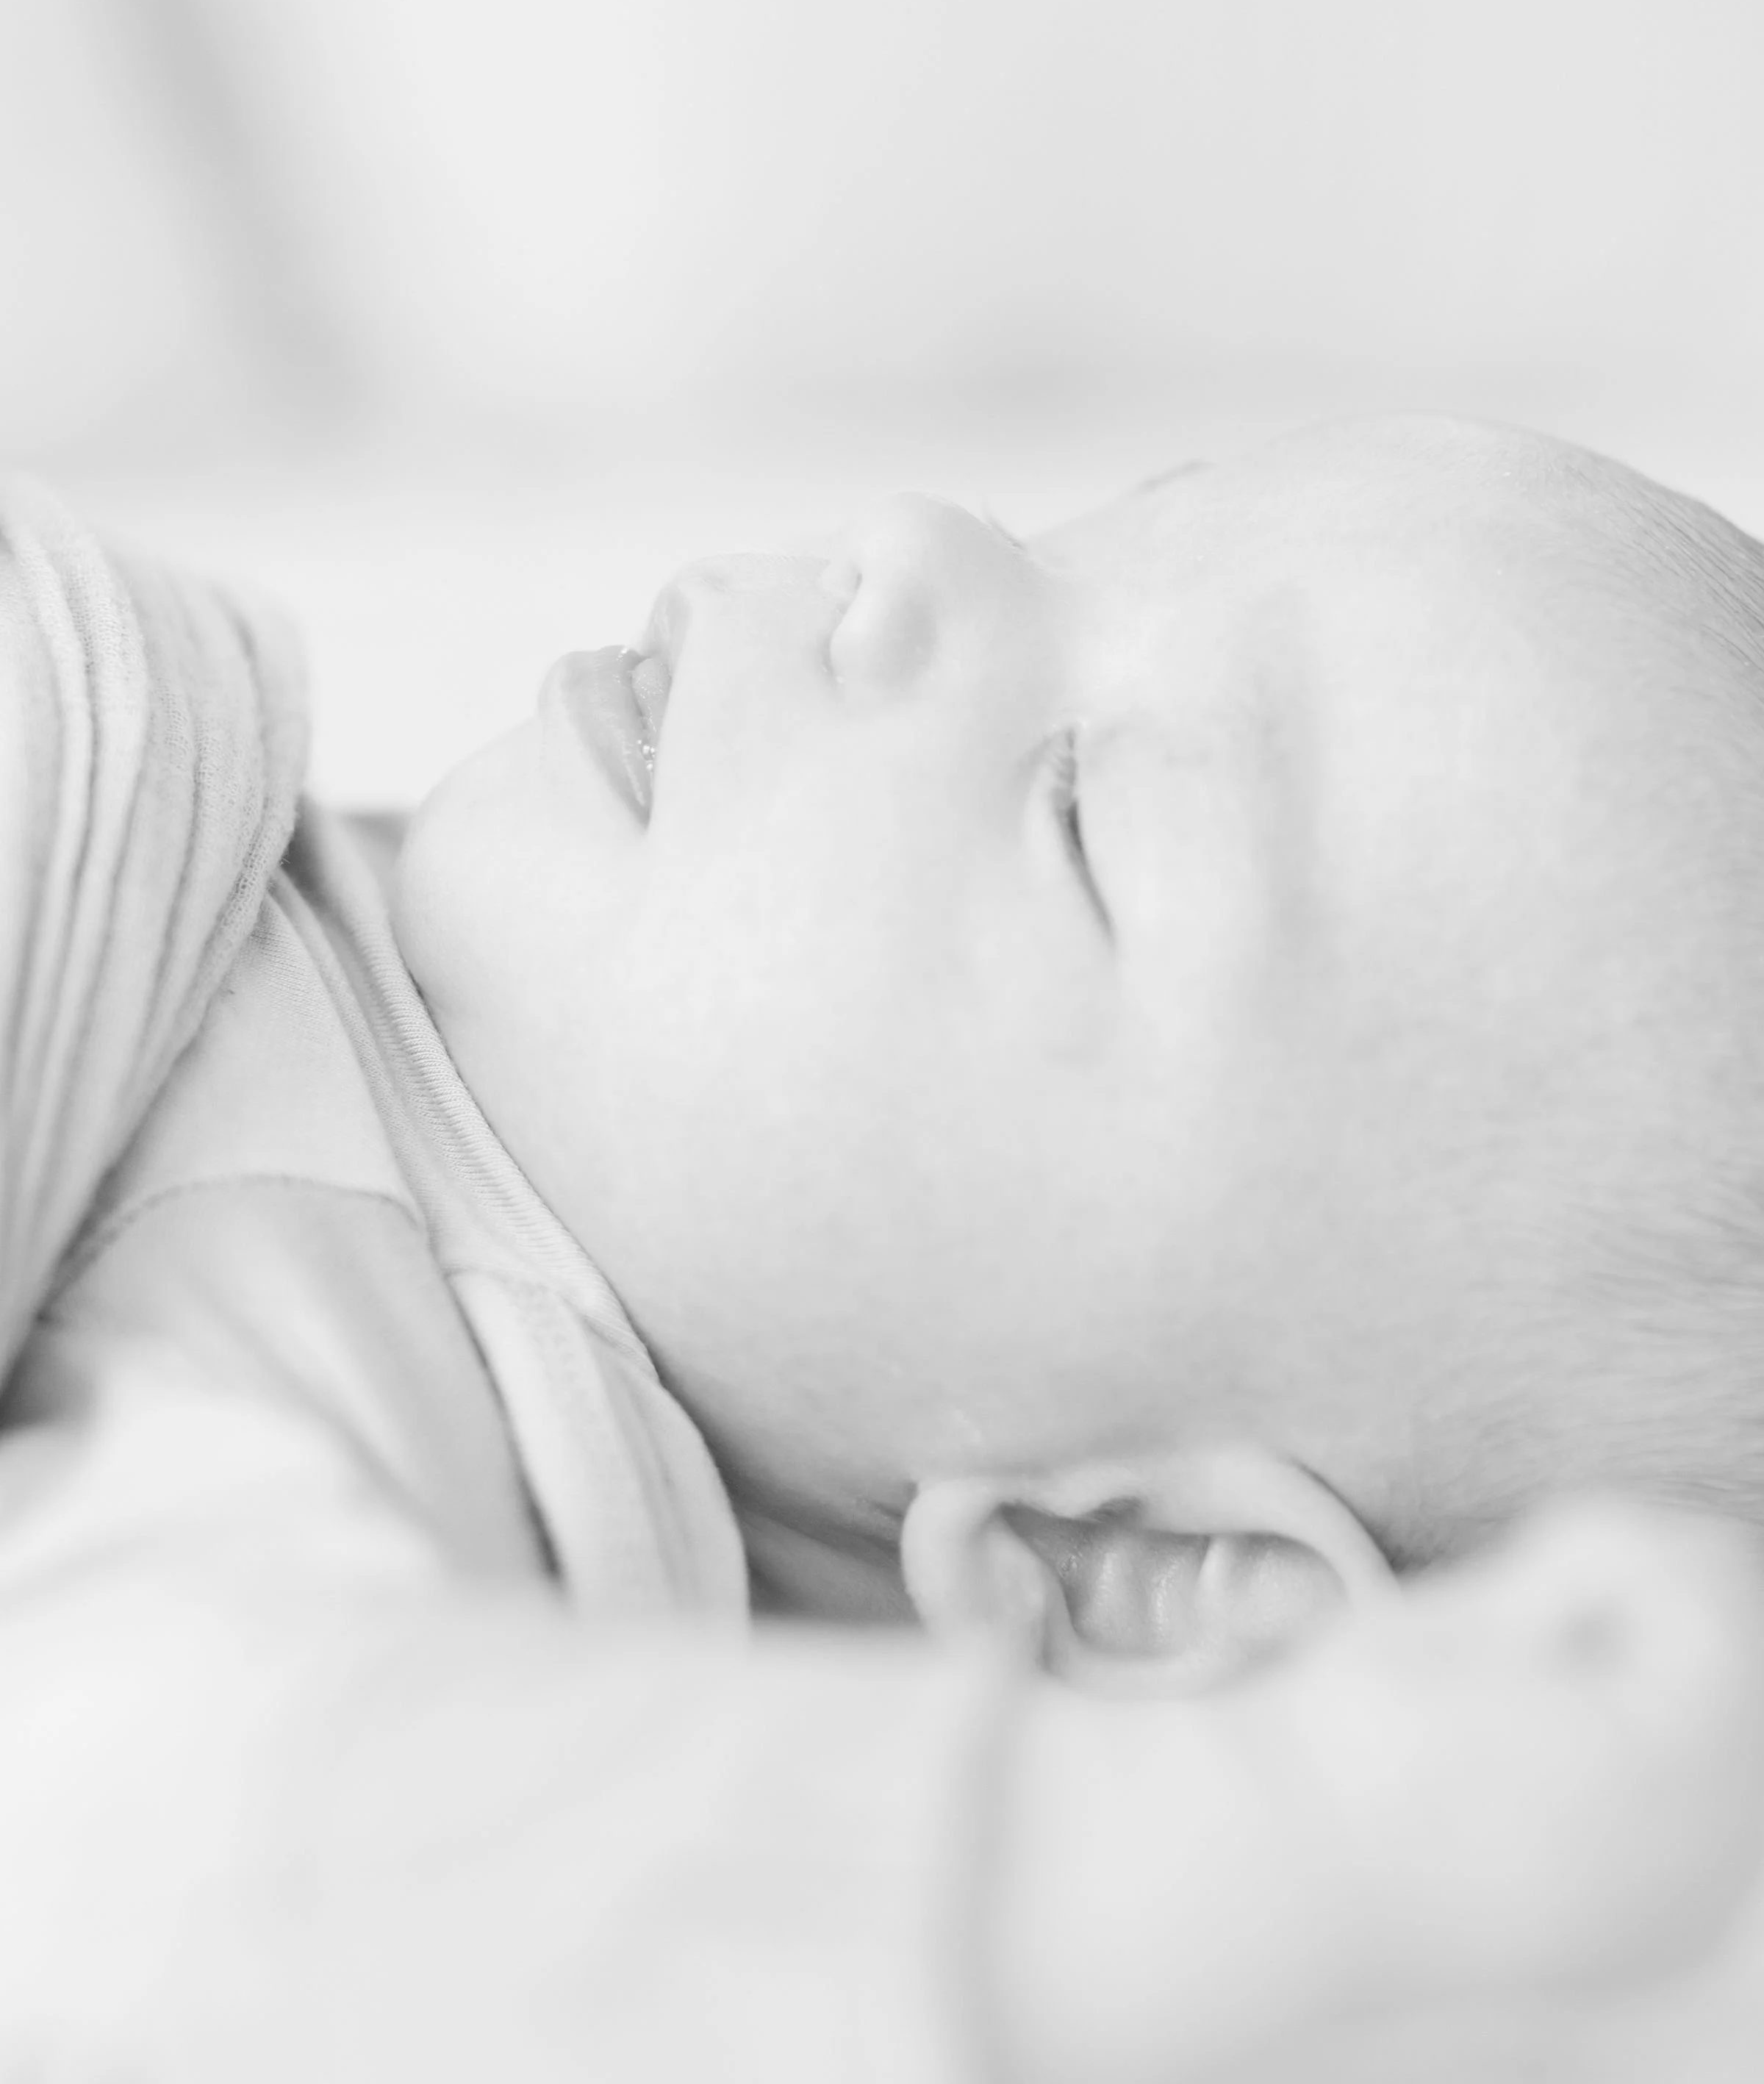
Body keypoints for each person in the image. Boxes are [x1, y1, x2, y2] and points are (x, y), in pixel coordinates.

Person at [4, 412, 1764, 2083]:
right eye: (1073, 537)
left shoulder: (358, 1407)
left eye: (1085, 813)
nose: (915, 546)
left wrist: (1295, 1824)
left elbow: (150, 1865)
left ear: (1136, 1568)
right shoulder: (266, 917)